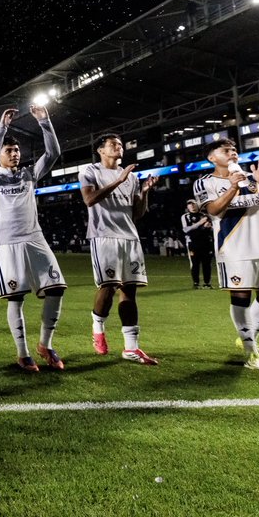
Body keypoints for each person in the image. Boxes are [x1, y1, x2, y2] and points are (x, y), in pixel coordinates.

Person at [0, 105, 66, 372]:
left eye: (16, 150)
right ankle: (23, 353)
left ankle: (45, 345)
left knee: (56, 289)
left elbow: (53, 153)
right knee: (16, 298)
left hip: (35, 239)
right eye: (9, 151)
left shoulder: (29, 175)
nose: (14, 154)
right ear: (0, 156)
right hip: (9, 245)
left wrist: (45, 122)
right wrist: (1, 129)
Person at [195, 140, 259, 370]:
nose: (233, 153)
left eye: (234, 150)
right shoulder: (204, 182)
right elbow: (213, 210)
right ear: (211, 158)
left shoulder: (250, 178)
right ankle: (250, 350)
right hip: (234, 247)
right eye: (226, 150)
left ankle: (250, 340)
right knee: (241, 295)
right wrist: (232, 187)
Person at [78, 133, 159, 365]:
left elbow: (136, 214)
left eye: (121, 145)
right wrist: (118, 180)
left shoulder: (131, 177)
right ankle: (98, 328)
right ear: (100, 150)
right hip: (103, 236)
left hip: (129, 238)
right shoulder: (89, 171)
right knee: (109, 286)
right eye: (113, 144)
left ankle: (131, 348)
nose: (119, 147)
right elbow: (89, 200)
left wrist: (144, 192)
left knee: (129, 290)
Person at [181, 198, 214, 289]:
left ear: (198, 205)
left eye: (193, 204)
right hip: (193, 243)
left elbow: (210, 229)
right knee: (195, 263)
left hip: (206, 242)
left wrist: (206, 227)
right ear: (187, 206)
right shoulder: (185, 216)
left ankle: (207, 283)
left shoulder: (205, 215)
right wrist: (200, 224)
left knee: (206, 263)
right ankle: (196, 283)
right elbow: (186, 230)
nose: (192, 206)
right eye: (189, 204)